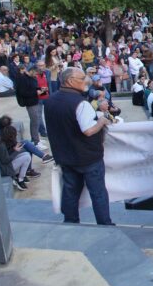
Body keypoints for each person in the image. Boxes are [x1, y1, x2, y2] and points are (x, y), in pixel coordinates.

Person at [45, 67, 113, 225]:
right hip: (88, 157)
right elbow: (88, 130)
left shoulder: (49, 101)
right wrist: (101, 121)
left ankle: (70, 221)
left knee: (70, 191)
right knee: (98, 193)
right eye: (82, 78)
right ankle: (105, 224)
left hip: (65, 156)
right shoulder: (81, 103)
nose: (86, 81)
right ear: (70, 81)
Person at [15, 64, 47, 147]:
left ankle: (35, 139)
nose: (36, 75)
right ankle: (36, 142)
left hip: (34, 100)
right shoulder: (23, 78)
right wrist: (36, 93)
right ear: (32, 71)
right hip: (30, 102)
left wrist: (40, 89)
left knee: (35, 120)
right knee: (35, 121)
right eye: (35, 73)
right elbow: (22, 93)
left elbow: (34, 87)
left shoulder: (32, 78)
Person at [0, 125, 33, 191]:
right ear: (9, 136)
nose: (15, 137)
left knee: (26, 154)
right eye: (14, 135)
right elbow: (5, 161)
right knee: (27, 157)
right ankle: (20, 180)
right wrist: (15, 151)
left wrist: (14, 149)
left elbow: (6, 155)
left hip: (6, 165)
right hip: (5, 170)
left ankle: (21, 176)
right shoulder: (1, 146)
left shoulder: (2, 140)